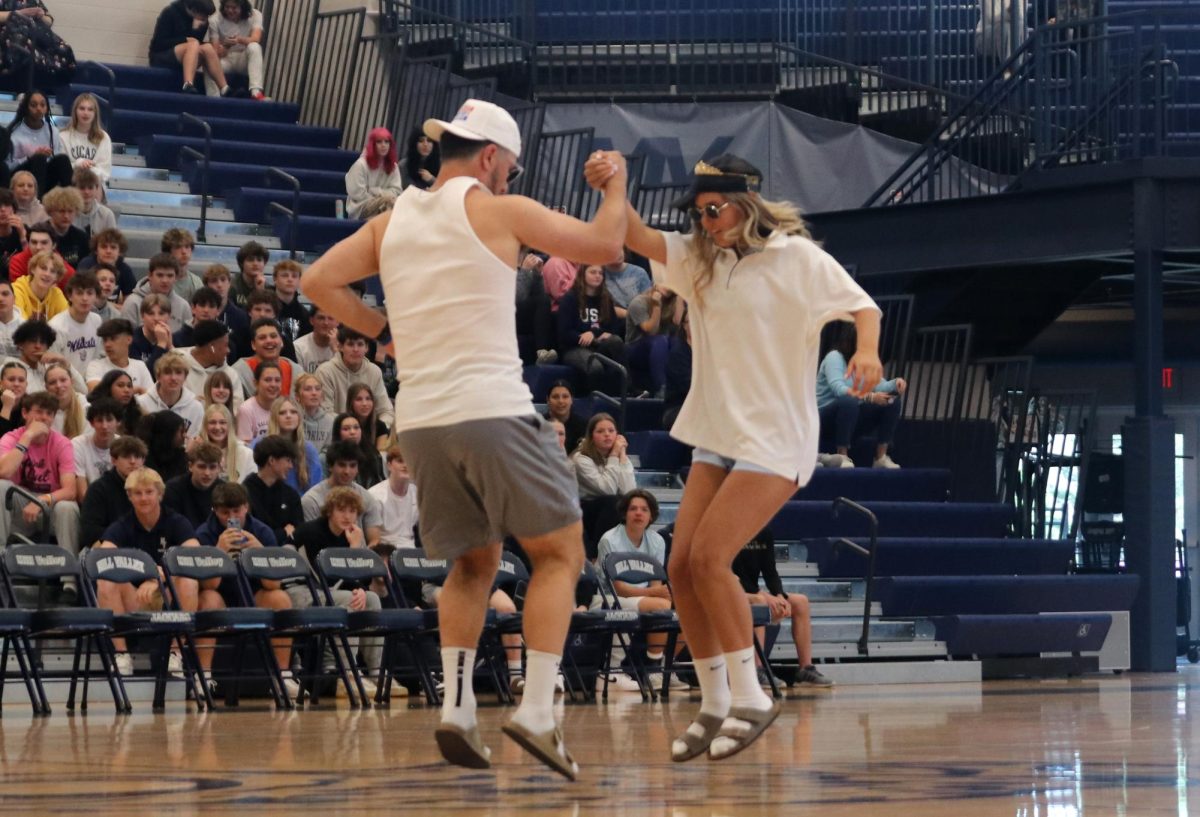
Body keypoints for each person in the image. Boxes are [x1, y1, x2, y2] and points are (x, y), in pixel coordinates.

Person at [300, 98, 630, 778]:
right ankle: (537, 710)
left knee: (473, 564)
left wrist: (379, 328)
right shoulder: (496, 209)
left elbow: (315, 280)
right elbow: (608, 247)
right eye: (507, 166)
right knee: (562, 553)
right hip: (493, 409)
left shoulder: (392, 221)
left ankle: (455, 709)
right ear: (487, 157)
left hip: (420, 421)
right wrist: (615, 186)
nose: (508, 176)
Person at [601, 152, 882, 762]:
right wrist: (615, 185)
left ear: (746, 201)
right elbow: (631, 231)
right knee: (680, 569)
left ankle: (752, 694)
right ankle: (712, 700)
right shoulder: (699, 261)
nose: (704, 222)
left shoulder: (797, 258)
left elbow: (864, 305)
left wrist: (867, 351)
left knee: (709, 559)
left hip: (776, 436)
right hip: (718, 430)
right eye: (697, 212)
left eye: (713, 209)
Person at [96, 467, 202, 676]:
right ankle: (121, 655)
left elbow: (193, 555)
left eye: (149, 492)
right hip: (135, 599)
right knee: (105, 581)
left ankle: (175, 653)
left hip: (168, 596)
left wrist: (158, 579)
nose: (143, 498)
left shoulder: (176, 521)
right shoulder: (122, 525)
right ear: (129, 497)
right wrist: (142, 576)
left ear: (160, 494)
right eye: (137, 493)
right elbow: (102, 559)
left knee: (189, 579)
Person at [194, 480, 296, 687]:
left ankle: (283, 675)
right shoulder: (203, 534)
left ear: (247, 507)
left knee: (281, 599)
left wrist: (259, 553)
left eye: (236, 511)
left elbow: (273, 584)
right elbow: (209, 585)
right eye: (225, 513)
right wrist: (219, 552)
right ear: (214, 511)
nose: (232, 518)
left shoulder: (263, 532)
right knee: (208, 600)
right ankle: (203, 676)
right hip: (221, 595)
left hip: (254, 593)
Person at [290, 486, 383, 689]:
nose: (347, 516)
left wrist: (358, 587)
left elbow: (361, 577)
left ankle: (377, 672)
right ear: (330, 511)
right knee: (351, 600)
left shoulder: (352, 535)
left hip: (330, 591)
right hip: (300, 591)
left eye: (352, 511)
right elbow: (324, 577)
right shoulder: (311, 532)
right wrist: (353, 552)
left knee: (371, 599)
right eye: (341, 510)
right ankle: (348, 672)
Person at [0, 390, 81, 598]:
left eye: (49, 413)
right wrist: (27, 437)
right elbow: (4, 471)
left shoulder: (62, 443)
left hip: (48, 507)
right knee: (1, 486)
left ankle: (69, 581)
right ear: (25, 413)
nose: (44, 418)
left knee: (68, 507)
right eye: (39, 412)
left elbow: (70, 490)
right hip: (18, 506)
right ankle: (1, 559)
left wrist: (42, 500)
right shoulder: (11, 437)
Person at [733, 527, 833, 688]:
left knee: (800, 602)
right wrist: (765, 596)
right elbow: (732, 574)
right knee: (760, 602)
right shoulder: (729, 532)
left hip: (754, 592)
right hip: (731, 592)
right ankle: (757, 669)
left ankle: (806, 668)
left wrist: (779, 595)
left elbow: (770, 571)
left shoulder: (763, 533)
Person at [816, 321, 906, 469]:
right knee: (848, 401)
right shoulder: (834, 357)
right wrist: (870, 397)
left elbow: (878, 384)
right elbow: (839, 389)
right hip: (825, 419)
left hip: (852, 417)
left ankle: (880, 457)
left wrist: (895, 383)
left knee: (892, 401)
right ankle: (842, 455)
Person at [557, 263, 628, 396]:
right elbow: (564, 333)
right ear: (583, 274)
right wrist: (583, 336)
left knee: (616, 341)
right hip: (574, 348)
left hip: (598, 346)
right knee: (595, 367)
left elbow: (611, 328)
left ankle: (627, 390)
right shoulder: (570, 299)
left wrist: (594, 333)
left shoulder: (606, 299)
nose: (597, 276)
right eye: (593, 272)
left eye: (600, 273)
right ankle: (594, 400)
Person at [299, 441, 381, 548]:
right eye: (342, 465)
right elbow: (309, 541)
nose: (347, 471)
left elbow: (375, 540)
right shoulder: (311, 500)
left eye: (352, 466)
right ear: (330, 466)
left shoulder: (366, 497)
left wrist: (360, 557)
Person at [314, 325, 392, 428]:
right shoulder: (325, 372)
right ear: (340, 347)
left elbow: (386, 411)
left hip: (369, 436)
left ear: (366, 348)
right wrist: (354, 429)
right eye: (350, 344)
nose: (355, 349)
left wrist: (378, 430)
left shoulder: (374, 371)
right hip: (337, 436)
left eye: (360, 344)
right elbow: (324, 413)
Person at [79, 434, 146, 550]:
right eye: (126, 456)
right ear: (114, 460)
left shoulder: (150, 487)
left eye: (137, 456)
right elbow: (90, 531)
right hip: (108, 548)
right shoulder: (98, 489)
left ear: (143, 460)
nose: (133, 461)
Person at [149, 0, 229, 96]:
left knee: (207, 47)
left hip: (187, 56)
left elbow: (197, 43)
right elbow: (159, 43)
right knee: (193, 43)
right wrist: (186, 39)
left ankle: (224, 88)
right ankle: (188, 84)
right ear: (194, 10)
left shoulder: (202, 21)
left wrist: (195, 30)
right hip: (162, 56)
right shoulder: (170, 12)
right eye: (204, 15)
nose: (205, 18)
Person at [5, 90, 72, 194]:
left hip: (45, 176)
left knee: (62, 159)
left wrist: (48, 156)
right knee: (39, 159)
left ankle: (72, 200)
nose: (39, 109)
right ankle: (37, 203)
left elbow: (57, 158)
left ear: (47, 108)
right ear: (26, 107)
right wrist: (30, 157)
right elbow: (8, 166)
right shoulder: (13, 133)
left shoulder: (52, 130)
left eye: (42, 105)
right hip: (20, 177)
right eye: (33, 105)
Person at [242, 433, 302, 545]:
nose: (291, 466)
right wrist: (283, 532)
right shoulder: (244, 493)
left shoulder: (291, 495)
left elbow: (298, 533)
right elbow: (249, 535)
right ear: (272, 460)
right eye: (288, 460)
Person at [254, 395, 321, 493]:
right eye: (282, 413)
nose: (288, 416)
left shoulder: (309, 449)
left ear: (299, 417)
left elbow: (315, 490)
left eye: (293, 412)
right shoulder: (259, 444)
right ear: (274, 417)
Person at [625, 283, 681, 398]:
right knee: (659, 340)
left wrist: (679, 295)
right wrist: (656, 306)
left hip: (661, 347)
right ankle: (662, 388)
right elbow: (651, 331)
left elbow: (678, 322)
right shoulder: (639, 302)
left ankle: (679, 387)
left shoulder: (671, 301)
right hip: (635, 349)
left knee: (676, 341)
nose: (668, 286)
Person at [204, 0, 265, 100]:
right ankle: (213, 96)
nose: (230, 11)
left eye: (234, 8)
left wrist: (239, 40)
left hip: (243, 58)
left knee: (255, 46)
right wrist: (226, 45)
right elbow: (214, 52)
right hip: (226, 58)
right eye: (227, 7)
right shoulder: (215, 20)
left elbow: (256, 38)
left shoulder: (255, 15)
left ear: (243, 7)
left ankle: (256, 91)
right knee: (208, 58)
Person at [137, 352, 205, 438]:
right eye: (167, 372)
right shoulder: (141, 404)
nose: (173, 378)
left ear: (185, 377)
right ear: (158, 377)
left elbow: (196, 441)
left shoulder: (196, 408)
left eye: (178, 372)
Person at [47, 271, 101, 378]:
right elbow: (52, 368)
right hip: (64, 384)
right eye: (79, 293)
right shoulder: (56, 327)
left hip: (90, 383)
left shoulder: (97, 320)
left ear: (96, 297)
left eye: (89, 293)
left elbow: (96, 360)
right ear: (70, 296)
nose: (85, 298)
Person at [121, 254, 193, 334]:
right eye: (160, 275)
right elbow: (124, 339)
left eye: (170, 276)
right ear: (150, 276)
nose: (165, 280)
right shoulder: (132, 302)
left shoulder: (183, 306)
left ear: (176, 278)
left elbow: (188, 341)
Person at [182, 320, 245, 407]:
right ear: (212, 348)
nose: (228, 351)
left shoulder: (230, 375)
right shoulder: (177, 367)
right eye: (225, 345)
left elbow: (236, 410)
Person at [571, 412, 635, 499]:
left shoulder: (619, 456)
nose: (607, 434)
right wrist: (614, 455)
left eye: (611, 431)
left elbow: (629, 492)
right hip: (587, 507)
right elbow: (608, 490)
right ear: (591, 436)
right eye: (600, 431)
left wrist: (622, 453)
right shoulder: (581, 459)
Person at [163, 440, 224, 528]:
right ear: (190, 466)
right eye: (202, 466)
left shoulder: (225, 491)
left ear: (219, 468)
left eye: (212, 467)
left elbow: (234, 523)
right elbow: (170, 526)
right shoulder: (173, 489)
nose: (207, 473)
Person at [345, 127, 403, 219]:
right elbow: (358, 194)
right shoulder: (360, 165)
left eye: (386, 142)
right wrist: (383, 198)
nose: (383, 145)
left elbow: (396, 191)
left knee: (390, 207)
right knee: (389, 206)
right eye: (379, 142)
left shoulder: (394, 166)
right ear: (373, 145)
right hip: (360, 207)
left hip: (386, 204)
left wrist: (376, 191)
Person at [56, 94, 113, 187]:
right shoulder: (62, 136)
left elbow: (105, 173)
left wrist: (88, 170)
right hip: (70, 184)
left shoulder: (103, 137)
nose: (86, 113)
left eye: (90, 109)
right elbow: (60, 169)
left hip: (94, 185)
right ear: (75, 111)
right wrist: (79, 164)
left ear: (95, 114)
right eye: (82, 108)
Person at [86, 319, 155, 393]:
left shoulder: (140, 366)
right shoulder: (96, 366)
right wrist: (137, 390)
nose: (107, 345)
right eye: (105, 340)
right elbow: (95, 392)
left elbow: (152, 397)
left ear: (129, 339)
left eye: (113, 339)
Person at [367, 446, 418, 547]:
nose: (405, 465)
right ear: (389, 465)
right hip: (385, 549)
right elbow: (374, 540)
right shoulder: (374, 495)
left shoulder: (418, 493)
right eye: (400, 461)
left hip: (412, 551)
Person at [233, 318, 297, 398]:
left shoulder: (297, 371)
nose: (269, 341)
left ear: (281, 341)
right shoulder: (237, 373)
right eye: (262, 338)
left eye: (273, 336)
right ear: (253, 345)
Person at [73, 397, 120, 500]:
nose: (104, 426)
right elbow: (82, 495)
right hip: (89, 504)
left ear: (118, 422)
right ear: (91, 423)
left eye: (109, 420)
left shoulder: (125, 447)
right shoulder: (78, 445)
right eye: (99, 420)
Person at [196, 402, 253, 483]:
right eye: (212, 422)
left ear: (230, 425)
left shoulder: (246, 454)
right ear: (205, 426)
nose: (217, 427)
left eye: (222, 422)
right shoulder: (197, 452)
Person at [76, 227, 136, 300]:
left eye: (113, 247)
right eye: (104, 247)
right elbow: (79, 298)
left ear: (120, 252)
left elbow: (130, 303)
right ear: (96, 250)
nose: (108, 251)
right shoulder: (86, 265)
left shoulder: (125, 269)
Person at [12, 249, 68, 321]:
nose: (47, 274)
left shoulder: (56, 294)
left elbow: (67, 321)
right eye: (43, 268)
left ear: (57, 277)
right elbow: (17, 323)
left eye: (53, 271)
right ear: (33, 269)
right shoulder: (17, 290)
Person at [330, 412, 382, 488]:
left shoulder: (373, 455)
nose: (352, 432)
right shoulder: (328, 457)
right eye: (346, 429)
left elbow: (379, 484)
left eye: (356, 427)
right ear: (338, 433)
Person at [137, 409, 189, 482]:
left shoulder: (178, 453)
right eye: (181, 431)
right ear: (169, 433)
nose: (185, 436)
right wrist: (187, 454)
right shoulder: (145, 456)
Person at [237, 360, 281, 443]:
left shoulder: (284, 408)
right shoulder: (246, 409)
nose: (273, 384)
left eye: (277, 380)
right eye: (268, 380)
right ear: (256, 383)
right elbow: (245, 448)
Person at [87, 369, 143, 435]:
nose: (127, 390)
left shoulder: (138, 412)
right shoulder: (95, 411)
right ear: (108, 388)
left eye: (129, 386)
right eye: (120, 385)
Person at [270, 259, 310, 343]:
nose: (290, 279)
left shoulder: (304, 314)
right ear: (275, 279)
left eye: (294, 276)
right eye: (285, 275)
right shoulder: (264, 308)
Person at [160, 228, 205, 300]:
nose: (184, 252)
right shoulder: (160, 281)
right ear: (168, 251)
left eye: (187, 247)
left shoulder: (197, 282)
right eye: (178, 247)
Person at [71, 168, 116, 239]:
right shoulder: (66, 213)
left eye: (90, 188)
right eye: (82, 188)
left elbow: (112, 244)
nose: (86, 192)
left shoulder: (107, 215)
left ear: (97, 189)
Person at [293, 373, 332, 455]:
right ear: (297, 396)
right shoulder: (293, 419)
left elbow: (330, 450)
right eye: (308, 389)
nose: (314, 393)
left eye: (318, 389)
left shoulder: (331, 421)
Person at [44, 361, 85, 438]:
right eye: (52, 382)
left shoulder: (86, 409)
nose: (58, 385)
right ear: (46, 388)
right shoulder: (41, 412)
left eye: (63, 380)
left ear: (72, 382)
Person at [543, 380, 587, 454]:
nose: (560, 401)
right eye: (555, 397)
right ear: (548, 400)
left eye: (565, 396)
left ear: (571, 399)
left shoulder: (584, 425)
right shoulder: (538, 424)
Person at [292, 304, 337, 374]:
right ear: (311, 320)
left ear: (338, 322)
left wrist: (335, 350)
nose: (326, 323)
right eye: (321, 318)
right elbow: (298, 381)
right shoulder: (298, 347)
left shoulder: (345, 346)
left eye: (330, 318)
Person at [346, 382, 387, 450]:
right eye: (359, 399)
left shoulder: (380, 426)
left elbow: (381, 455)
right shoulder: (343, 424)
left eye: (368, 399)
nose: (364, 404)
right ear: (351, 403)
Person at [229, 241, 268, 310]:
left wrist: (260, 292)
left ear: (264, 263)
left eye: (259, 260)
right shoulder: (232, 286)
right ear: (241, 263)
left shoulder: (268, 289)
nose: (255, 263)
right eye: (250, 260)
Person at [0, 189, 26, 275]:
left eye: (7, 205)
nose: (3, 209)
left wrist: (23, 236)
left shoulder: (24, 230)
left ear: (14, 210)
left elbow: (33, 263)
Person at [0, 361, 26, 437]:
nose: (16, 384)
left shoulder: (31, 405)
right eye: (11, 379)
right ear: (1, 383)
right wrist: (7, 407)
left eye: (21, 380)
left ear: (26, 384)